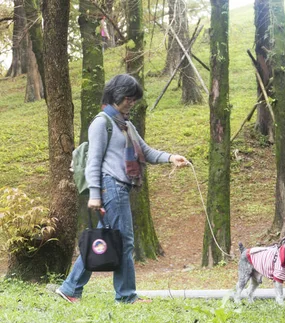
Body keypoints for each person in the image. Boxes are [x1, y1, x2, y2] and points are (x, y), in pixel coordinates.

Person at [55, 74, 188, 304]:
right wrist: (95, 195)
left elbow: (145, 152)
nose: (132, 102)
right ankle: (126, 297)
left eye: (134, 98)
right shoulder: (101, 123)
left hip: (120, 188)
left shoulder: (126, 125)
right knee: (124, 242)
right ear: (116, 96)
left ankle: (70, 288)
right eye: (128, 98)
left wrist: (170, 157)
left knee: (103, 241)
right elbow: (94, 162)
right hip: (111, 187)